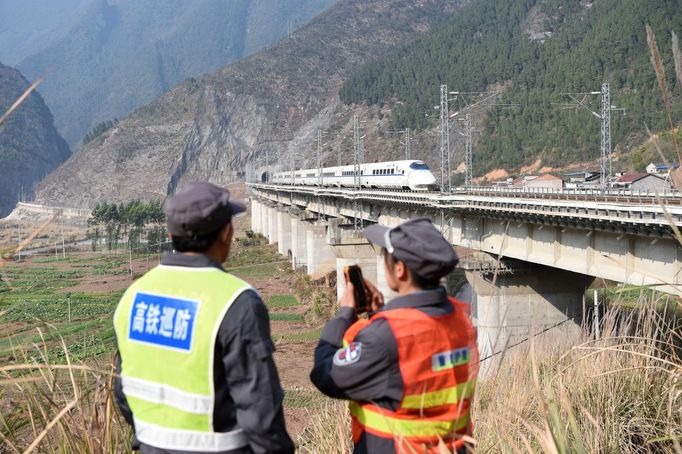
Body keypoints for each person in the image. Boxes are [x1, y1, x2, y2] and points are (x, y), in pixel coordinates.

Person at [113, 182, 294, 454]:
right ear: (226, 232)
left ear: (170, 234)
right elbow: (260, 409)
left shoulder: (133, 296)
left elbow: (122, 390)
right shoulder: (236, 301)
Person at [310, 217, 478, 454]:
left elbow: (326, 376)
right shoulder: (460, 319)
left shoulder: (386, 336)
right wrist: (379, 315)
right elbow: (414, 366)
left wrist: (345, 314)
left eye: (384, 256)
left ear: (400, 269)